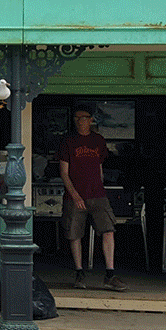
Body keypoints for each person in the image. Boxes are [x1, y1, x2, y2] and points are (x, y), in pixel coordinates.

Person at [59, 104, 127, 291]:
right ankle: (79, 272)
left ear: (91, 120)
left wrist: (100, 185)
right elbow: (64, 172)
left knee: (108, 230)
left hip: (97, 194)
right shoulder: (68, 141)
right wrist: (75, 195)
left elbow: (99, 166)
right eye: (77, 118)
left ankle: (110, 274)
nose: (80, 121)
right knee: (74, 234)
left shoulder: (98, 140)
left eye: (84, 118)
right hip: (75, 195)